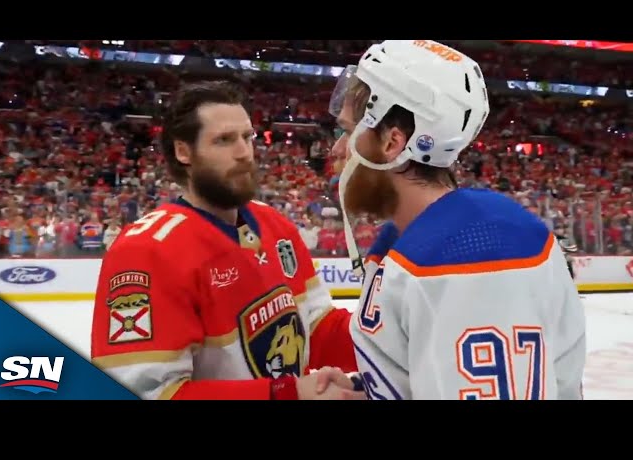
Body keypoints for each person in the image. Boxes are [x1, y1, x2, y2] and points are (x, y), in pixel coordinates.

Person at [326, 40, 586, 400]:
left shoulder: (474, 257)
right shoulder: (412, 236)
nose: (337, 150)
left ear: (392, 142)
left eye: (347, 132)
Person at [90, 80, 363, 400]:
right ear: (183, 151)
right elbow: (147, 392)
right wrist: (287, 394)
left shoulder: (275, 226)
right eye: (223, 140)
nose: (243, 152)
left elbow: (317, 331)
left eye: (247, 137)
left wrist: (399, 337)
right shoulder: (146, 251)